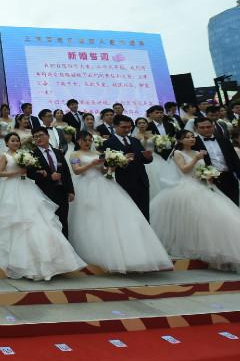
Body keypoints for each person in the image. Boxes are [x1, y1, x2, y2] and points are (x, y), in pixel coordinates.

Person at [0, 133, 86, 280]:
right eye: (12, 140)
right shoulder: (4, 156)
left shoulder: (26, 154)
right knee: (14, 218)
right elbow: (1, 173)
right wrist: (18, 172)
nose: (15, 143)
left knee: (37, 216)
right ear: (6, 143)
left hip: (25, 185)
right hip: (11, 187)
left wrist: (37, 171)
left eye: (17, 140)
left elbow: (32, 170)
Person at [68, 132, 172, 273]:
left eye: (89, 140)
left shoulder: (97, 153)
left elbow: (103, 171)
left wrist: (112, 165)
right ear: (78, 141)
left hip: (102, 184)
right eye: (84, 140)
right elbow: (76, 171)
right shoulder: (75, 155)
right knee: (88, 217)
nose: (87, 142)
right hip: (84, 185)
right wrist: (92, 164)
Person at [151, 130, 240, 271]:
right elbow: (184, 170)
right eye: (187, 137)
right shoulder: (178, 153)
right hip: (185, 186)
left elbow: (201, 169)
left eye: (192, 136)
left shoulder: (197, 152)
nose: (191, 139)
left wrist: (208, 175)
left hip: (202, 186)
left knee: (217, 216)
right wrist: (196, 159)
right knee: (194, 218)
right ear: (180, 140)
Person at [26, 127, 76, 237]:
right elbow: (30, 174)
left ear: (48, 136)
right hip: (44, 193)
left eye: (41, 135)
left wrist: (71, 190)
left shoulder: (58, 152)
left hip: (62, 191)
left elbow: (66, 172)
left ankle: (66, 244)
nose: (38, 138)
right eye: (35, 137)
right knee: (49, 221)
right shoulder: (32, 154)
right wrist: (48, 177)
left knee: (63, 220)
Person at [102, 115, 153, 220]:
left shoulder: (135, 140)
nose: (127, 130)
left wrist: (148, 157)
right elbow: (107, 164)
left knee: (144, 212)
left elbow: (145, 160)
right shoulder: (108, 143)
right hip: (123, 182)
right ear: (115, 126)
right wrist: (123, 159)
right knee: (128, 214)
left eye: (129, 127)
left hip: (141, 181)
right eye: (123, 127)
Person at [192, 116, 240, 205]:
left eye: (208, 127)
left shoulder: (224, 140)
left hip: (229, 178)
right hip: (209, 180)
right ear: (196, 129)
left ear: (213, 126)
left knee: (234, 205)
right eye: (202, 127)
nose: (206, 129)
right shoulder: (193, 144)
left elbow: (235, 160)